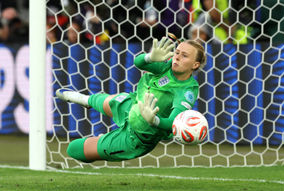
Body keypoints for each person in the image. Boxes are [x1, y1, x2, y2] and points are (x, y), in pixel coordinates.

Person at [56, 35, 207, 162]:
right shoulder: (166, 67)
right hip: (133, 105)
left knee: (74, 149)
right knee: (109, 100)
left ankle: (107, 140)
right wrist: (150, 57)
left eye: (184, 55)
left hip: (138, 137)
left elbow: (172, 123)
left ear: (195, 64)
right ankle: (84, 100)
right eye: (177, 52)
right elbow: (138, 63)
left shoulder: (186, 91)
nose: (177, 57)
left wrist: (153, 120)